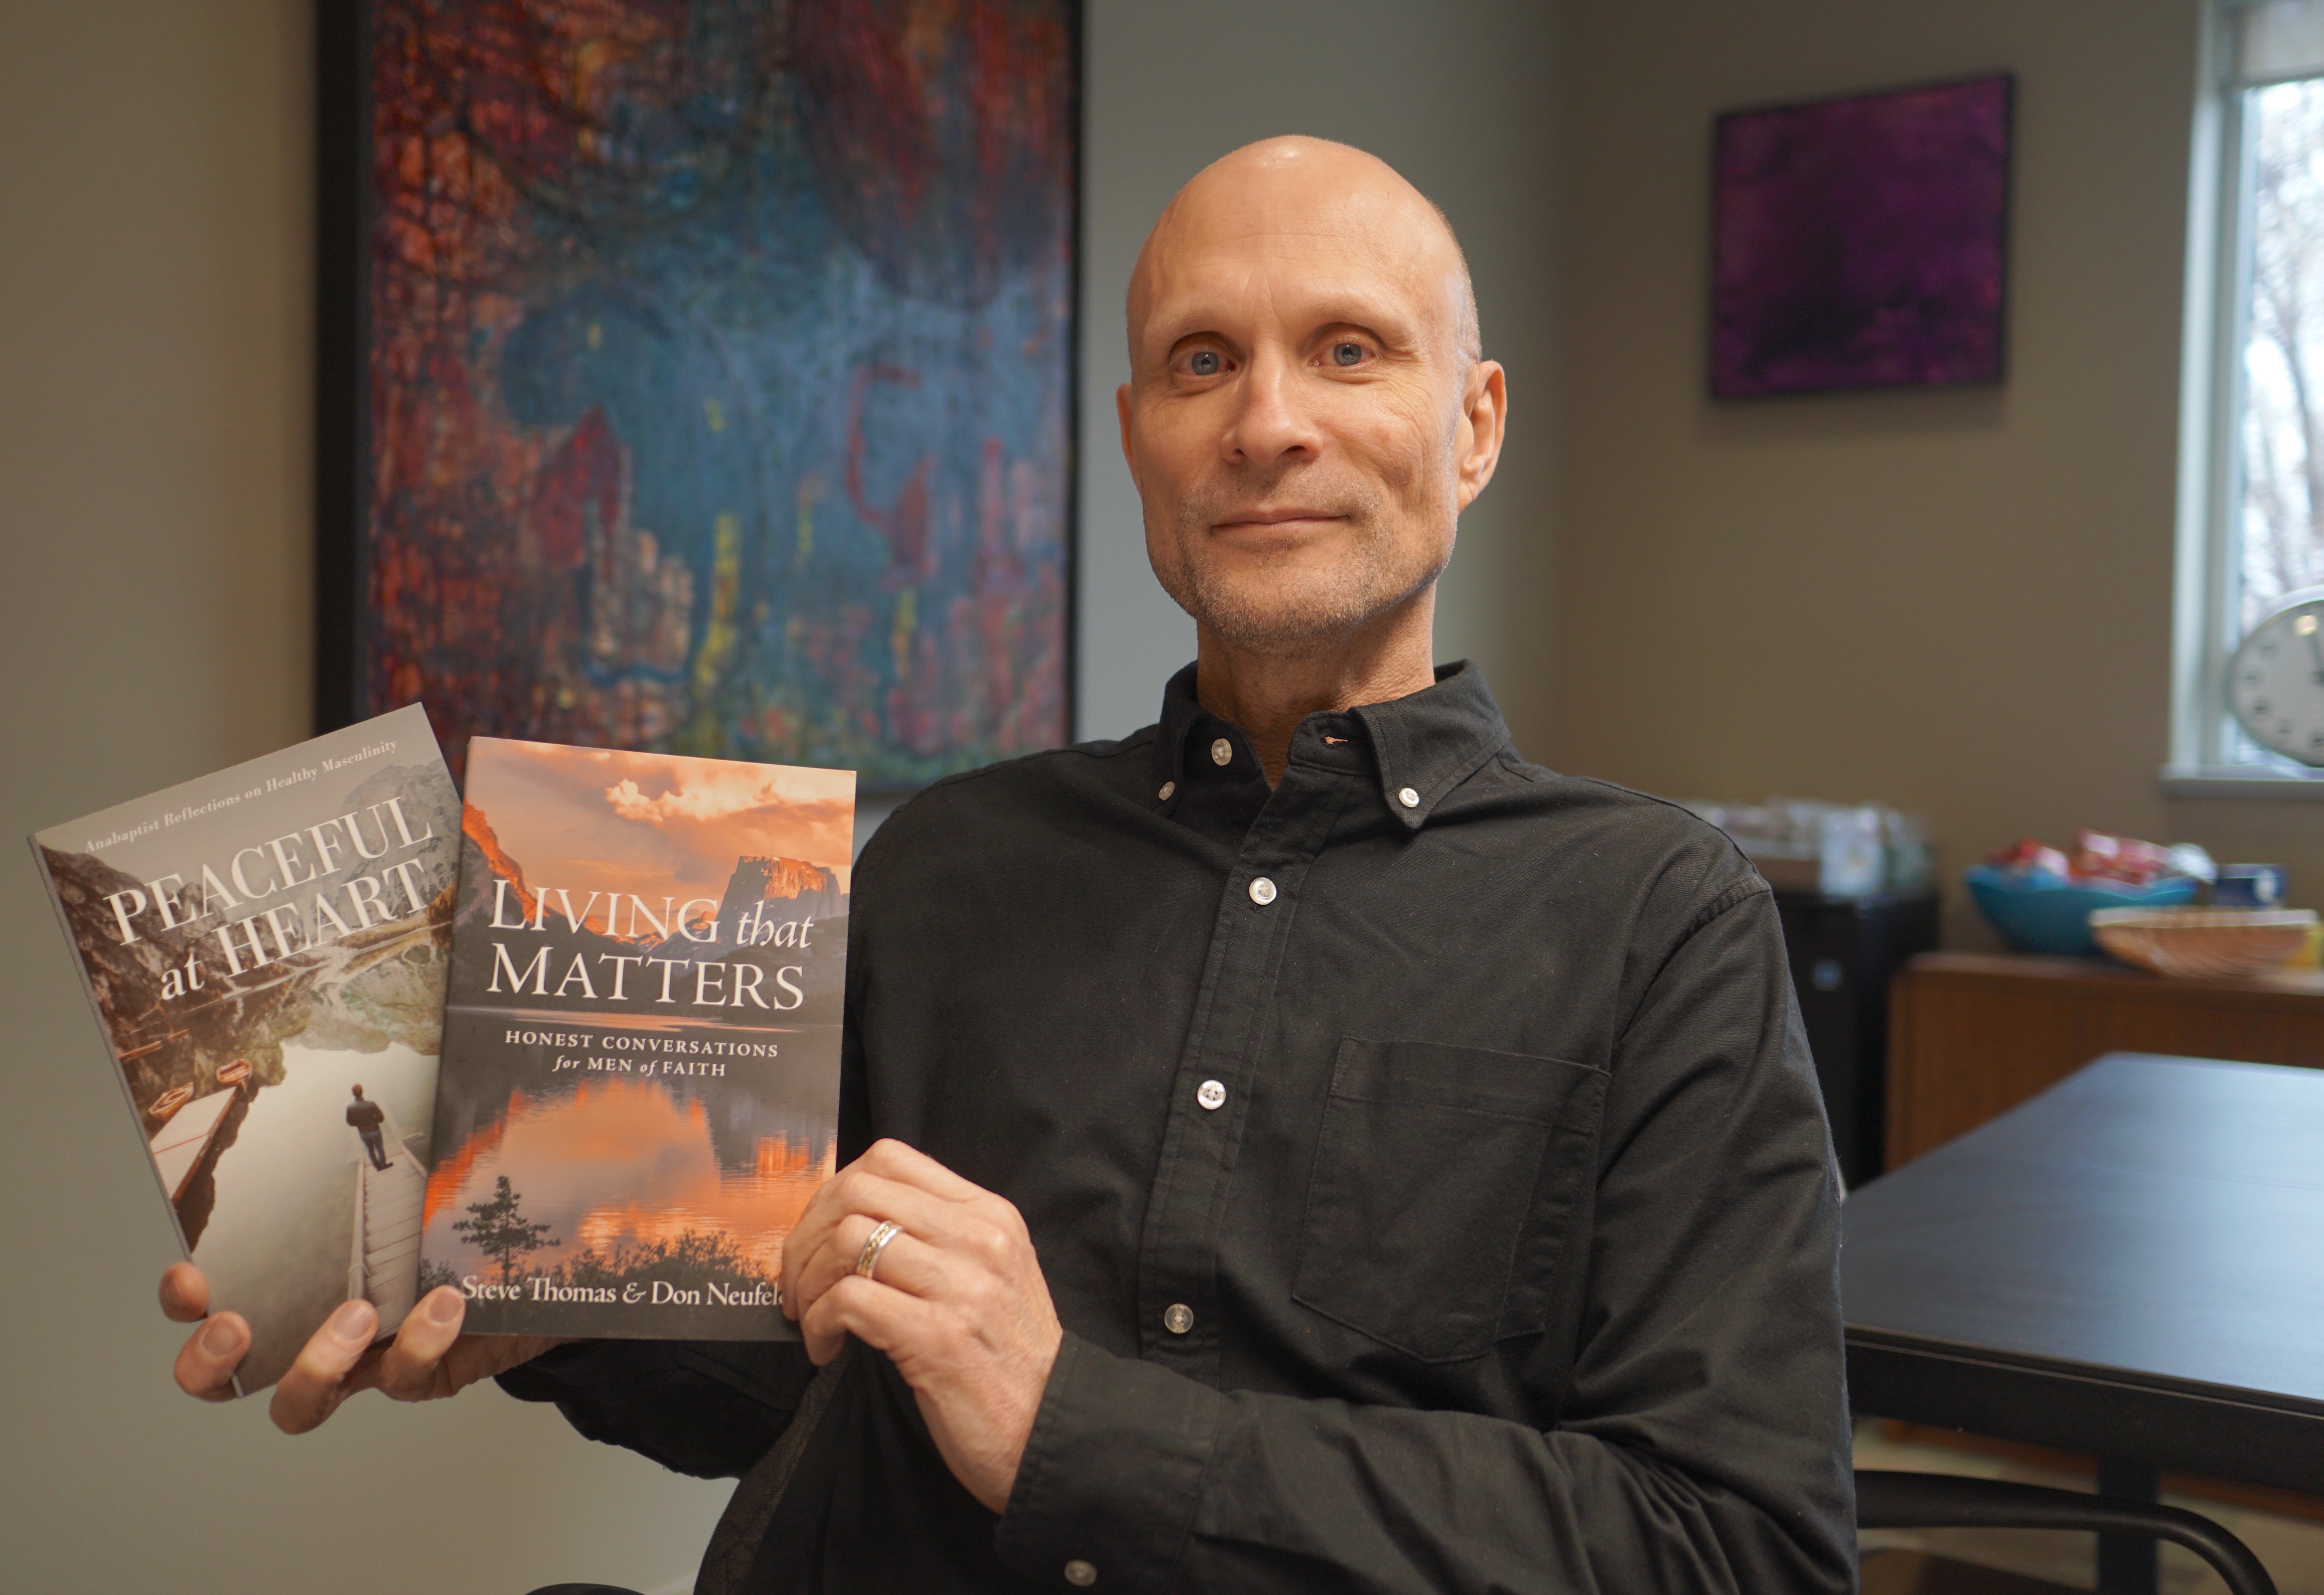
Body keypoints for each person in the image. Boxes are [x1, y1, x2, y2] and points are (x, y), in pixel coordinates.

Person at [160, 137, 1854, 1594]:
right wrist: (557, 1306)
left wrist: (1071, 1424)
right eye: (1202, 361)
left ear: (1473, 427)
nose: (1268, 423)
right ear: (1136, 435)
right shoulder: (948, 864)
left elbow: (1737, 1547)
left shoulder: (1658, 924)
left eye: (1348, 350)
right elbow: (804, 1384)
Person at [345, 1084, 389, 1171]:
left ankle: (377, 1166)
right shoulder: (371, 1104)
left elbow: (350, 1122)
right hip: (375, 1129)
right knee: (380, 1148)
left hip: (363, 1132)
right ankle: (383, 1165)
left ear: (353, 1094)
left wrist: (358, 1124)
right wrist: (375, 1120)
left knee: (370, 1150)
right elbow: (381, 1118)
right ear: (362, 1092)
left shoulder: (350, 1108)